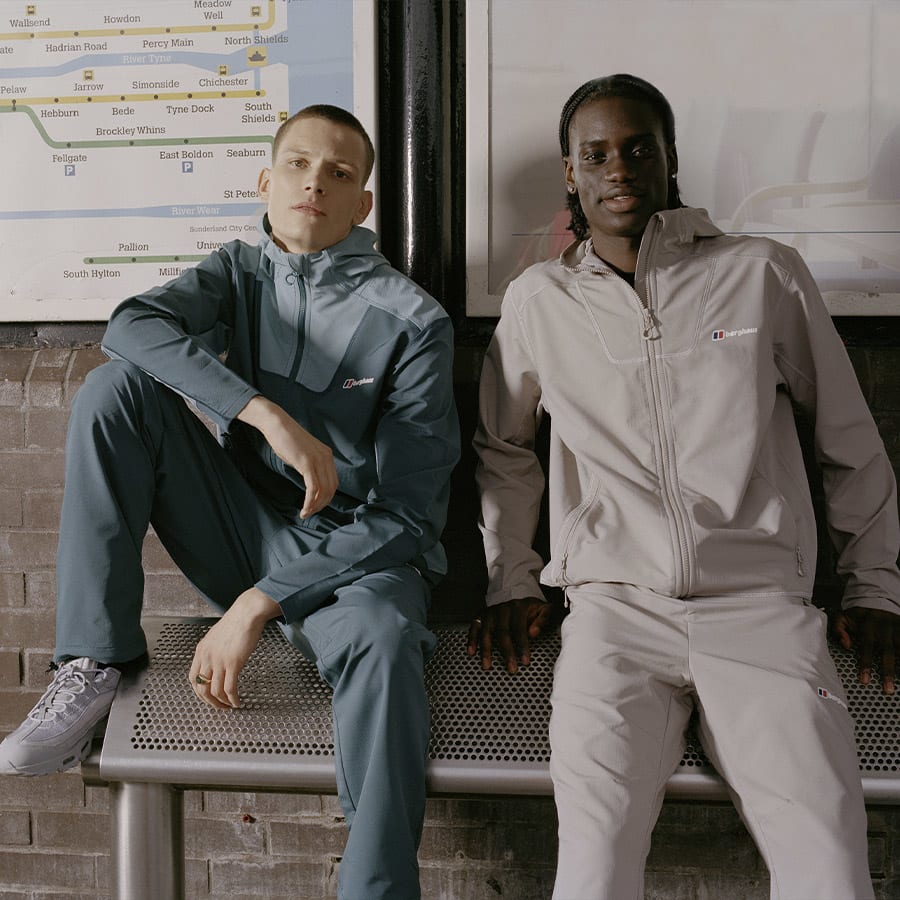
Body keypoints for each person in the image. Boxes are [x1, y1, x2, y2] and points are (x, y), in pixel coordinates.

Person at [0, 104, 460, 900]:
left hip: (357, 561)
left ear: (362, 204)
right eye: (298, 165)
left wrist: (257, 603)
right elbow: (131, 326)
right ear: (266, 182)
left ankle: (377, 890)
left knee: (385, 640)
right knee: (115, 391)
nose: (315, 183)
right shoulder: (237, 271)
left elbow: (409, 516)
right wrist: (263, 414)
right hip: (242, 525)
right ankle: (93, 661)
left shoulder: (414, 322)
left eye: (339, 173)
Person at [468, 73, 900, 900]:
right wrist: (510, 579)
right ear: (571, 173)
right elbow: (505, 449)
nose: (619, 169)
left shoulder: (762, 272)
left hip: (762, 609)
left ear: (671, 159)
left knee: (830, 868)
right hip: (614, 615)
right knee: (592, 870)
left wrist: (874, 587)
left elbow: (848, 437)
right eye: (597, 154)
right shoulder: (537, 301)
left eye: (639, 149)